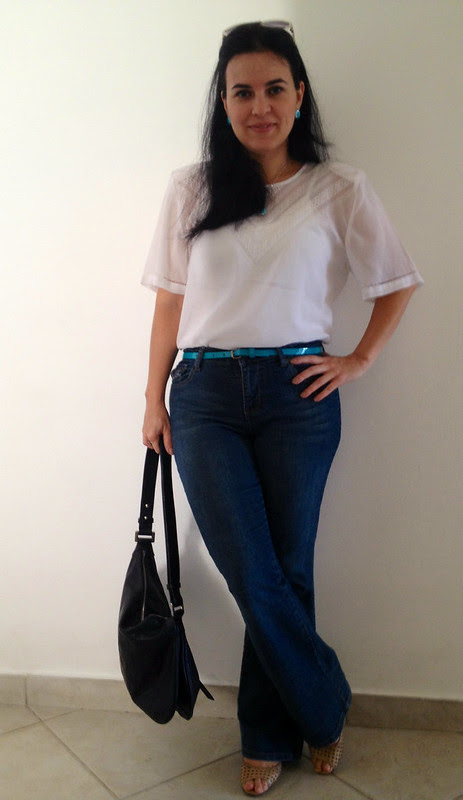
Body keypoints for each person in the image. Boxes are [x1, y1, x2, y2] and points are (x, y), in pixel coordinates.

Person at [141, 20, 423, 796]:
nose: (258, 105)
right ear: (223, 102)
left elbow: (396, 282)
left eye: (274, 89)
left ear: (299, 95)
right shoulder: (191, 188)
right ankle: (323, 706)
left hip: (298, 394)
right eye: (242, 92)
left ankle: (266, 736)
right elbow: (168, 304)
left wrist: (357, 358)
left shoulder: (339, 188)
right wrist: (151, 397)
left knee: (286, 569)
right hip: (202, 396)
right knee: (252, 572)